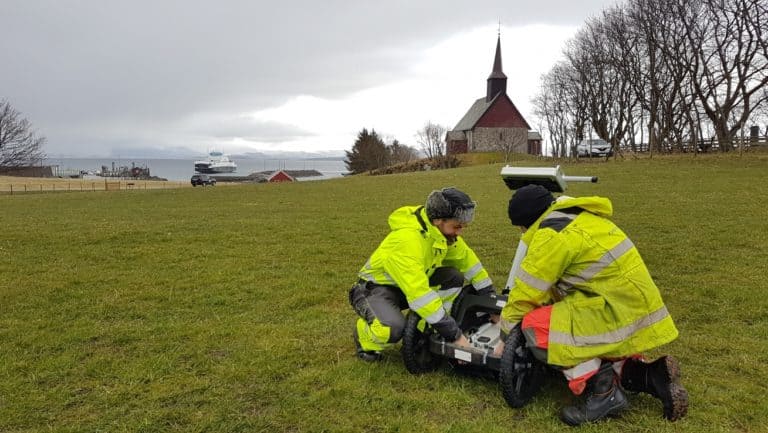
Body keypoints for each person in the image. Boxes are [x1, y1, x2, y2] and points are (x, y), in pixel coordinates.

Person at [495, 184, 688, 426]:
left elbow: (526, 294)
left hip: (610, 310)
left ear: (525, 223)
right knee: (581, 330)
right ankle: (649, 375)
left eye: (521, 228)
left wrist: (504, 337)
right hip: (631, 307)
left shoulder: (551, 234)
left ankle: (603, 393)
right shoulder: (579, 217)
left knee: (538, 327)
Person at [349, 187, 496, 361]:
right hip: (374, 289)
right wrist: (456, 336)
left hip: (407, 286)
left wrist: (491, 300)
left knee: (453, 276)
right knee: (392, 329)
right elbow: (419, 294)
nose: (459, 232)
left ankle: (427, 327)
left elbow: (470, 264)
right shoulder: (407, 241)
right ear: (437, 220)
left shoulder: (442, 236)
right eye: (456, 226)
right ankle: (364, 336)